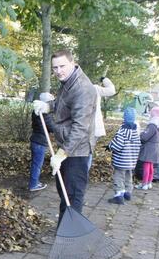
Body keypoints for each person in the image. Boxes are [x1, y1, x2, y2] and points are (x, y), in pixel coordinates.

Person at [33, 49, 97, 225]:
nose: (58, 71)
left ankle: (72, 239)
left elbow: (80, 128)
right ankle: (64, 230)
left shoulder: (82, 89)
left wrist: (62, 154)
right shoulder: (68, 82)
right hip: (67, 147)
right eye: (55, 68)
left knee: (73, 197)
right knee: (64, 193)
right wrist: (48, 106)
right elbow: (62, 103)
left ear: (72, 62)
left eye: (62, 66)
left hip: (77, 152)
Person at [106, 107, 141, 204]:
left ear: (124, 117)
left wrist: (110, 146)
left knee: (118, 177)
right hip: (131, 161)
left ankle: (119, 195)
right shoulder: (136, 133)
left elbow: (117, 145)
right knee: (128, 176)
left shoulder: (122, 132)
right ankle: (128, 192)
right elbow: (138, 146)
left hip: (121, 161)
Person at [28, 92, 55, 192]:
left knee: (36, 164)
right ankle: (33, 185)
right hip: (39, 142)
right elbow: (52, 128)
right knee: (37, 165)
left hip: (36, 140)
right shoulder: (43, 113)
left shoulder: (36, 111)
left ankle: (35, 182)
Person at [89, 76, 116, 170]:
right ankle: (82, 175)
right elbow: (111, 90)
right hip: (94, 126)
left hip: (81, 126)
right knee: (88, 151)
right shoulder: (95, 88)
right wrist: (105, 79)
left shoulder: (76, 88)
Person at [136, 106, 159, 190]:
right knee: (151, 166)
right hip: (156, 147)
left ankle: (144, 183)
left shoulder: (152, 124)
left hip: (149, 148)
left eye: (151, 113)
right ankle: (149, 182)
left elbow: (145, 137)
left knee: (146, 166)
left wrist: (140, 134)